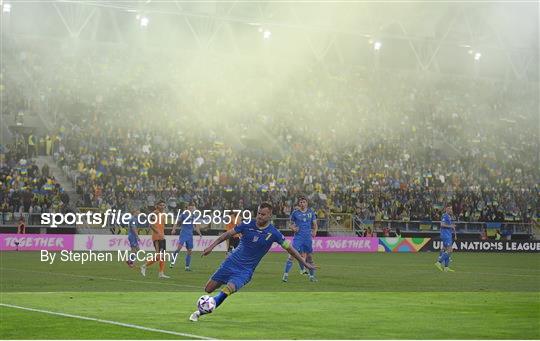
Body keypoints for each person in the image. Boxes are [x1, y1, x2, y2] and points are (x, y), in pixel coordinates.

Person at [189, 202, 315, 322]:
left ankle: (203, 310)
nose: (259, 216)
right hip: (231, 262)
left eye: (263, 214)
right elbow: (227, 234)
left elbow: (290, 249)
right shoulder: (247, 224)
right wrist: (211, 247)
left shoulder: (274, 233)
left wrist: (304, 263)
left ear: (269, 215)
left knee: (229, 289)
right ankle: (209, 304)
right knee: (208, 289)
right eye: (259, 213)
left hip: (245, 271)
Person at [282, 196, 318, 282]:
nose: (302, 204)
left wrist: (315, 231)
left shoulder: (311, 212)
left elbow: (315, 224)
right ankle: (285, 275)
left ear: (307, 203)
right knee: (292, 255)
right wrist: (293, 228)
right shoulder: (295, 213)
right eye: (301, 202)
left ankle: (312, 277)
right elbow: (290, 224)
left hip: (307, 238)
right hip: (298, 238)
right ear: (299, 203)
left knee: (309, 258)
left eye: (304, 202)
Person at [140, 200, 170, 278]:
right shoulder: (155, 213)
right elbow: (151, 225)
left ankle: (161, 273)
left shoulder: (163, 214)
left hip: (162, 236)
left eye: (163, 205)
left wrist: (162, 233)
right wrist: (158, 232)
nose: (162, 207)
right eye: (161, 205)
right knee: (159, 256)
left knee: (162, 255)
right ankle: (144, 266)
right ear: (157, 206)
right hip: (157, 237)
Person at [170, 203, 202, 271]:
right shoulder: (183, 214)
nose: (191, 209)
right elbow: (176, 222)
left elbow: (196, 226)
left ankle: (187, 267)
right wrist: (173, 229)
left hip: (190, 235)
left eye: (192, 208)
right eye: (190, 208)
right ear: (187, 208)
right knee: (179, 248)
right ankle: (172, 262)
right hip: (183, 233)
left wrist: (199, 233)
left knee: (189, 251)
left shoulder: (193, 216)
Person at [435, 204, 457, 272]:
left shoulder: (449, 216)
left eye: (451, 209)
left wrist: (454, 233)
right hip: (445, 235)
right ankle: (439, 262)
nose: (451, 210)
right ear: (446, 209)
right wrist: (451, 226)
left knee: (447, 250)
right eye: (450, 209)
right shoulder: (445, 216)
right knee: (450, 250)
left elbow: (451, 226)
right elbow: (442, 224)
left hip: (448, 235)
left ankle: (446, 267)